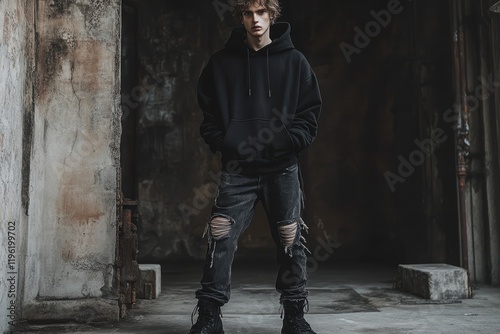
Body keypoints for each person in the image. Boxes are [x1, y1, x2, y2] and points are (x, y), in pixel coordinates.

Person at [188, 0, 321, 333]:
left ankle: (294, 315)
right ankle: (209, 314)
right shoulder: (221, 64)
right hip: (239, 169)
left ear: (272, 15)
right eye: (248, 13)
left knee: (290, 239)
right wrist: (226, 142)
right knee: (220, 233)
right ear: (241, 18)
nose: (255, 19)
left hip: (282, 168)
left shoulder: (295, 62)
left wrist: (286, 142)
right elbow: (208, 117)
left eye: (262, 12)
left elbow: (309, 115)